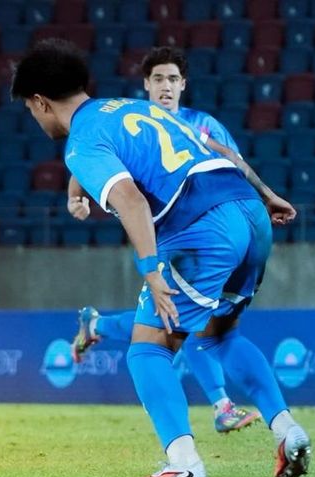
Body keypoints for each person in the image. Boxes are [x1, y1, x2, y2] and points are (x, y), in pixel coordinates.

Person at [12, 39, 310, 477]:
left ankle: (184, 463)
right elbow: (227, 154)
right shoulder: (132, 107)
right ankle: (289, 430)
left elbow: (129, 199)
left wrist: (151, 272)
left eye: (31, 110)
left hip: (203, 230)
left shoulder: (81, 141)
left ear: (40, 102)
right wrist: (267, 196)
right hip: (249, 214)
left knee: (148, 348)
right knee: (217, 335)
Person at [67, 47, 260, 434]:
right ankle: (222, 406)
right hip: (159, 233)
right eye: (158, 79)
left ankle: (98, 325)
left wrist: (258, 201)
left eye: (173, 79)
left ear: (183, 85)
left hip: (210, 230)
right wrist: (75, 195)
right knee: (183, 317)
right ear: (146, 85)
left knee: (171, 319)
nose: (165, 86)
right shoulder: (132, 117)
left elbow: (234, 169)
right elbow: (89, 157)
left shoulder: (203, 125)